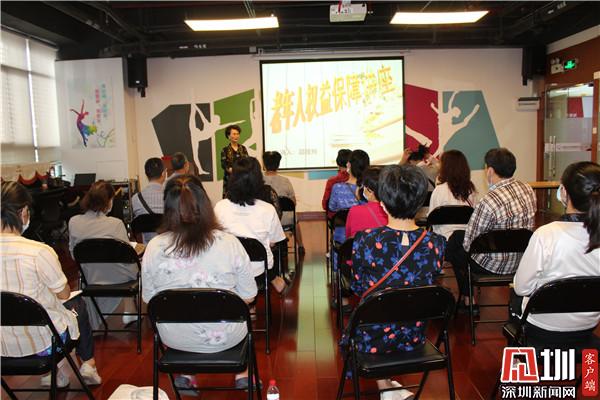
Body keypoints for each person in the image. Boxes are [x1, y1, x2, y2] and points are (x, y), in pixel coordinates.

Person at [142, 175, 258, 390]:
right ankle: (242, 374)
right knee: (240, 311)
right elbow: (249, 295)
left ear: (168, 209)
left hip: (174, 337)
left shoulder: (154, 247)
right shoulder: (229, 243)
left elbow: (150, 299)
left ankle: (186, 374)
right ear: (205, 205)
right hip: (226, 336)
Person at [349, 165, 445, 400]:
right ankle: (388, 389)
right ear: (421, 201)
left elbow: (358, 287)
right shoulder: (436, 243)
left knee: (360, 319)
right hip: (415, 335)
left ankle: (387, 388)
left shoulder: (365, 240)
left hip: (371, 337)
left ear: (382, 203)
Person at [1, 181, 102, 387]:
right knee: (76, 305)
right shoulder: (39, 252)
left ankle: (56, 374)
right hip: (44, 346)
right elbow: (63, 294)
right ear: (23, 212)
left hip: (2, 347)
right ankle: (88, 364)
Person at [513, 161, 600, 342]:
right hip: (588, 324)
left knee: (514, 297)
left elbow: (522, 288)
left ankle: (519, 355)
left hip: (542, 326)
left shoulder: (546, 235)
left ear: (565, 192)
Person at [445, 148, 536, 306]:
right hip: (520, 261)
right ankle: (467, 299)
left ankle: (468, 299)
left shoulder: (489, 201)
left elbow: (469, 244)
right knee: (457, 236)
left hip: (491, 265)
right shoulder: (527, 189)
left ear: (490, 171)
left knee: (456, 249)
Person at [68, 180, 138, 328]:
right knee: (135, 267)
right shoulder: (115, 224)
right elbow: (126, 257)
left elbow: (74, 254)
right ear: (109, 201)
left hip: (90, 276)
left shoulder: (74, 222)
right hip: (116, 278)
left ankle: (128, 310)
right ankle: (130, 309)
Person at [214, 157, 287, 293]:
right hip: (258, 271)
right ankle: (273, 279)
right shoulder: (267, 209)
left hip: (227, 268)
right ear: (258, 179)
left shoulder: (220, 207)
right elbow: (274, 241)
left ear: (232, 178)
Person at [428, 150, 478, 239]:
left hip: (443, 240)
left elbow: (431, 218)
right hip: (466, 241)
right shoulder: (471, 190)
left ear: (445, 168)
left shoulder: (439, 190)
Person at [263, 150, 304, 252]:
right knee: (294, 219)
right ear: (278, 165)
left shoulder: (259, 181)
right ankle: (300, 246)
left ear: (264, 164)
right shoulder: (285, 181)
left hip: (264, 219)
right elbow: (293, 203)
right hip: (284, 220)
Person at [328, 149, 370, 244]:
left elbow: (332, 207)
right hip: (365, 238)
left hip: (343, 239)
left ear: (348, 165)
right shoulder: (370, 190)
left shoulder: (337, 188)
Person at [345, 167, 388, 239]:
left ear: (370, 191)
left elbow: (349, 237)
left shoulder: (354, 211)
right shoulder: (391, 211)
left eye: (363, 186)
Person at [220, 124, 249, 198]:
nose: (236, 136)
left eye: (238, 134)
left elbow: (247, 162)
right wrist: (231, 170)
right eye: (234, 134)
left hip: (242, 179)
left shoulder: (243, 148)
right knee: (229, 200)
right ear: (228, 136)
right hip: (230, 179)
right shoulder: (225, 150)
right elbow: (224, 164)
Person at [322, 149, 352, 218]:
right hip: (355, 216)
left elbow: (325, 205)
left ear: (338, 164)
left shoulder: (332, 181)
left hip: (336, 218)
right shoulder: (358, 180)